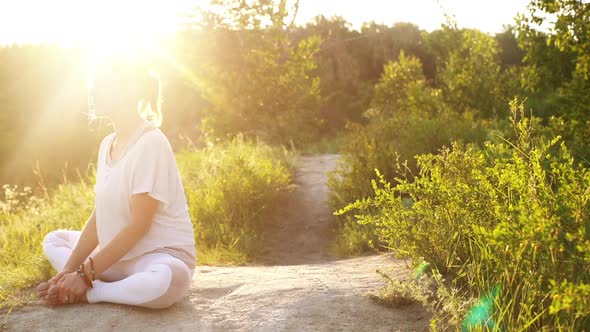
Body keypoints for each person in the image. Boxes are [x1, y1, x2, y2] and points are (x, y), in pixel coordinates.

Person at [35, 55, 197, 309]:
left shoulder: (150, 142)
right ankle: (105, 284)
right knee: (54, 240)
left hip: (155, 258)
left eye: (103, 84)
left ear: (129, 90)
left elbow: (138, 226)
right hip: (117, 259)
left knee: (167, 281)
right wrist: (66, 271)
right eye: (94, 84)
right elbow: (101, 215)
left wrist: (83, 276)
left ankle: (94, 292)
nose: (94, 91)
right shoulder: (106, 144)